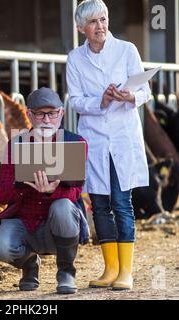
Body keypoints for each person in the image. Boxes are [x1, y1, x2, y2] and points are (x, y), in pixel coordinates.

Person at [67, 0, 151, 290]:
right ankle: (110, 268)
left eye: (103, 19)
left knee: (121, 203)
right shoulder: (75, 59)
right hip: (94, 138)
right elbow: (75, 100)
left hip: (122, 136)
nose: (100, 26)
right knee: (100, 205)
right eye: (93, 22)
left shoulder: (126, 50)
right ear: (81, 28)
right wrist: (100, 101)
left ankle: (125, 271)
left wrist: (130, 97)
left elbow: (145, 90)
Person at [0, 87, 89, 294]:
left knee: (62, 206)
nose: (46, 119)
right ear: (29, 115)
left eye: (52, 113)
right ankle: (29, 264)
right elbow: (2, 195)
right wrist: (23, 185)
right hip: (25, 221)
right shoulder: (16, 144)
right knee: (0, 245)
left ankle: (66, 272)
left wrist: (51, 191)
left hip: (58, 225)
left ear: (61, 114)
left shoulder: (75, 143)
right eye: (39, 113)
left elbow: (75, 192)